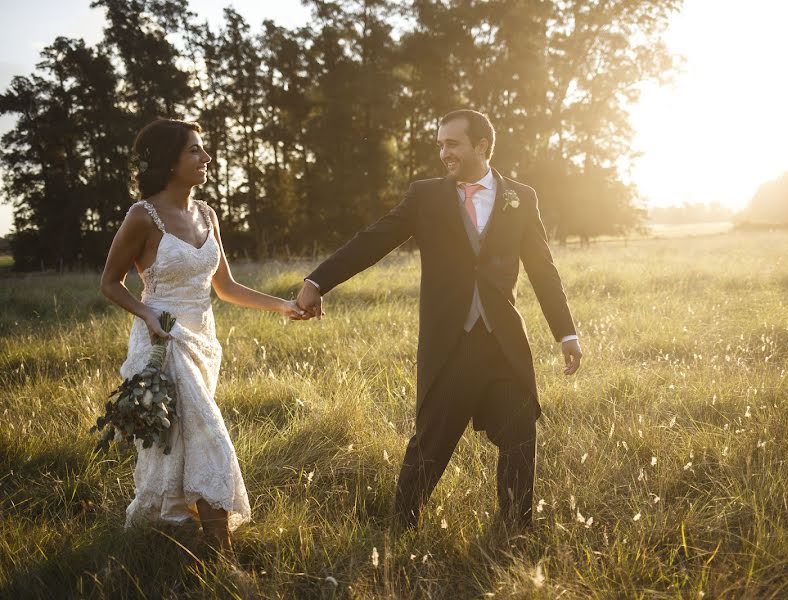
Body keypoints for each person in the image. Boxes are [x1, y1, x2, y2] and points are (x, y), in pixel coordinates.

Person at [296, 109, 582, 530]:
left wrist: (566, 333)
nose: (444, 152)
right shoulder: (426, 196)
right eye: (441, 144)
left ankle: (515, 529)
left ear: (482, 146)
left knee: (521, 431)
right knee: (432, 443)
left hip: (503, 343)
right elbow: (373, 241)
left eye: (453, 144)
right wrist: (318, 281)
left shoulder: (521, 197)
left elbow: (543, 269)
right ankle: (401, 526)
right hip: (451, 343)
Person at [100, 118, 305, 557]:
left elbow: (226, 287)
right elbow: (110, 282)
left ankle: (163, 531)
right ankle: (221, 555)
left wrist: (282, 305)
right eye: (195, 151)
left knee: (183, 442)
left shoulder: (207, 214)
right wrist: (148, 313)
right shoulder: (143, 215)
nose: (206, 157)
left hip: (203, 342)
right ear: (169, 161)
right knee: (210, 434)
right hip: (162, 341)